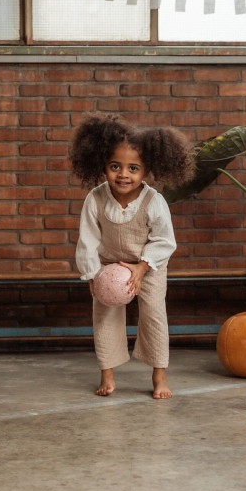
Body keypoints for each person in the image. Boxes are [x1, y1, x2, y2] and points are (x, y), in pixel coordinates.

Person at [71, 112, 195, 399]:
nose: (123, 174)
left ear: (146, 172)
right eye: (115, 166)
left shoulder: (154, 201)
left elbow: (165, 240)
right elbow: (87, 239)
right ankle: (108, 375)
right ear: (102, 165)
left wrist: (141, 268)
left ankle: (159, 375)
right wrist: (92, 273)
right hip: (108, 265)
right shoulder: (95, 198)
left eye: (133, 168)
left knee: (153, 315)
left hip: (148, 266)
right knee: (104, 317)